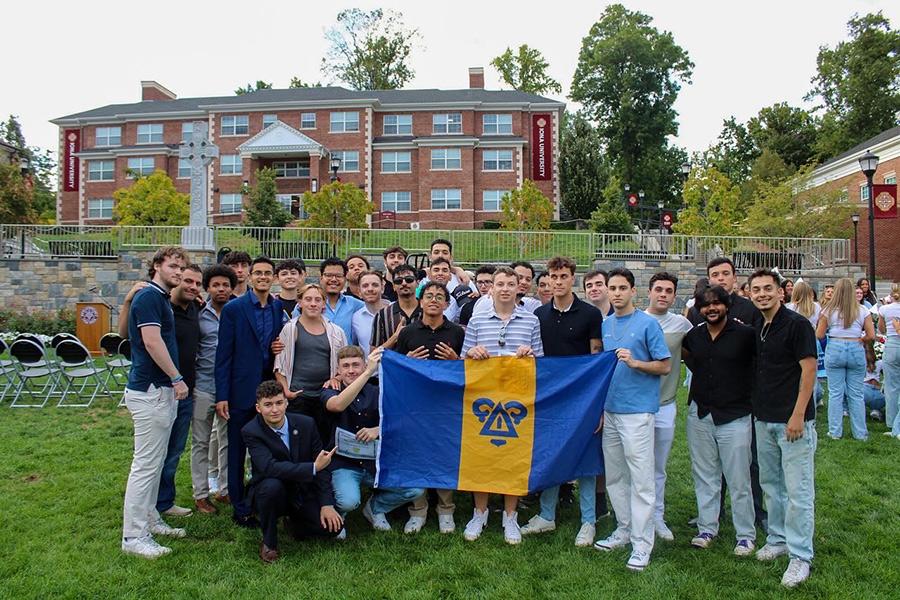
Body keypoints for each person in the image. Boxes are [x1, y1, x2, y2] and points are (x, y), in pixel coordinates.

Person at [593, 267, 670, 573]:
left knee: (641, 479)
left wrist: (636, 363)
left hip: (638, 411)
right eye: (612, 288)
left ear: (633, 291)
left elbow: (665, 366)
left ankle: (642, 543)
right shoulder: (606, 324)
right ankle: (624, 529)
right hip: (611, 410)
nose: (616, 293)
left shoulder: (648, 324)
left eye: (622, 288)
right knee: (615, 476)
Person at [522, 256, 603, 547]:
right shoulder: (539, 315)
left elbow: (596, 359)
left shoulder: (591, 314)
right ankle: (547, 515)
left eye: (563, 276)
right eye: (553, 277)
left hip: (583, 398)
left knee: (585, 458)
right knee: (551, 454)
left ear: (572, 278)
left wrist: (598, 405)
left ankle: (588, 521)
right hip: (549, 397)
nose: (557, 282)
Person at [461, 266, 543, 545]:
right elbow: (463, 359)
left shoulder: (531, 321)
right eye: (500, 284)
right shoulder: (477, 320)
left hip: (517, 397)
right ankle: (480, 512)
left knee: (513, 456)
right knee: (481, 455)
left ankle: (510, 515)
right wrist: (472, 352)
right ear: (491, 288)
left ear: (519, 287)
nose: (505, 289)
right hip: (482, 397)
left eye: (510, 284)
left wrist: (529, 355)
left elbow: (540, 360)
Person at [747, 268, 818, 588]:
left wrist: (798, 414)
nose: (762, 294)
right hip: (764, 418)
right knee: (771, 485)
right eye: (756, 289)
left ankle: (800, 555)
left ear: (780, 292)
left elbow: (809, 370)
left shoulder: (797, 325)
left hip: (793, 423)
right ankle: (777, 539)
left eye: (768, 288)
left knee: (798, 491)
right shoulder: (759, 325)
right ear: (750, 294)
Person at [120, 246, 190, 559]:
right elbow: (150, 341)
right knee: (145, 466)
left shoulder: (156, 297)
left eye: (182, 268)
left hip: (159, 391)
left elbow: (124, 332)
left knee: (156, 462)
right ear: (157, 266)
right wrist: (176, 377)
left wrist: (126, 302)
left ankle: (150, 518)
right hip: (152, 390)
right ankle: (134, 537)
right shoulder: (149, 296)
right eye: (173, 266)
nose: (179, 272)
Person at [682, 285, 757, 557]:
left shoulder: (745, 335)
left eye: (716, 303)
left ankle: (745, 535)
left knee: (739, 479)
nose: (711, 308)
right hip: (701, 413)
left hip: (734, 415)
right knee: (705, 475)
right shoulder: (694, 335)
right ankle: (706, 529)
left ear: (726, 305)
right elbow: (690, 359)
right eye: (705, 305)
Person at [215, 256, 284, 528]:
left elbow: (274, 342)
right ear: (250, 277)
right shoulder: (234, 309)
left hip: (266, 391)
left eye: (268, 273)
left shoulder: (277, 307)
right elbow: (223, 355)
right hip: (240, 391)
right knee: (237, 450)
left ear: (273, 277)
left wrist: (275, 348)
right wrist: (222, 395)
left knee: (263, 450)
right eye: (258, 273)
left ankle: (258, 499)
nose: (263, 277)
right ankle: (240, 507)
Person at [323, 346, 424, 533]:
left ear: (363, 365)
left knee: (415, 489)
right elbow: (337, 406)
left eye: (356, 365)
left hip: (374, 462)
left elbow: (405, 418)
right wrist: (368, 372)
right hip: (344, 463)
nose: (351, 370)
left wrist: (379, 429)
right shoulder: (330, 390)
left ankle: (375, 508)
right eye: (346, 366)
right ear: (338, 370)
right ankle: (340, 515)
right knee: (348, 501)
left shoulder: (378, 390)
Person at [242, 380, 342, 563]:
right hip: (271, 489)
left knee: (332, 529)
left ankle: (295, 523)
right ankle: (269, 542)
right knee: (271, 487)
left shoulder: (306, 424)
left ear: (286, 403)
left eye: (279, 403)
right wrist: (312, 468)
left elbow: (322, 466)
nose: (275, 410)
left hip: (302, 489)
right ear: (258, 408)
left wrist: (327, 504)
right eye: (268, 405)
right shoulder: (251, 431)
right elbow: (269, 467)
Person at [397, 281, 466, 534]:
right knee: (417, 453)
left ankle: (446, 509)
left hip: (446, 404)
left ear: (447, 304)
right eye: (429, 296)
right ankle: (418, 509)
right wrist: (407, 361)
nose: (434, 300)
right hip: (416, 404)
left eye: (439, 296)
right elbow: (396, 369)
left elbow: (468, 370)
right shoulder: (408, 332)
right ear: (421, 301)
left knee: (444, 454)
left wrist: (455, 360)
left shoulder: (457, 332)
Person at [643, 272, 692, 542]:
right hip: (637, 405)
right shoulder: (637, 320)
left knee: (658, 467)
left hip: (665, 404)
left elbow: (697, 349)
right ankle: (634, 516)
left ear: (674, 296)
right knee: (637, 465)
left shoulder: (682, 324)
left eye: (668, 291)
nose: (663, 294)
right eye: (659, 289)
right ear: (649, 292)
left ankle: (658, 517)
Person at [274, 284, 347, 444]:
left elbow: (344, 363)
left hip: (325, 396)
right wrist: (286, 391)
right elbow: (280, 365)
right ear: (300, 302)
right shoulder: (289, 329)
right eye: (308, 299)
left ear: (323, 303)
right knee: (300, 442)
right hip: (299, 396)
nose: (313, 304)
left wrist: (337, 378)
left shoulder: (336, 331)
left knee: (323, 441)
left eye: (317, 300)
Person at [190, 264, 234, 514]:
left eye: (225, 285)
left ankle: (225, 490)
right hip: (203, 387)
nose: (221, 289)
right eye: (216, 285)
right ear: (207, 287)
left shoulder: (236, 312)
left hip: (228, 388)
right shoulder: (197, 313)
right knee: (201, 441)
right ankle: (200, 493)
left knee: (228, 440)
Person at [816, 277, 875, 441]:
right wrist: (861, 339)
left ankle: (835, 432)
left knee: (835, 393)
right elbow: (871, 335)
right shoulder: (862, 310)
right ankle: (860, 433)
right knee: (856, 394)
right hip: (856, 347)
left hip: (835, 346)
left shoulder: (829, 310)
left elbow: (819, 334)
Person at [370, 264, 422, 349]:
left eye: (409, 279)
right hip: (392, 358)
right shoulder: (382, 315)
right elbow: (374, 353)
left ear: (417, 283)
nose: (404, 283)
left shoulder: (428, 311)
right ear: (393, 286)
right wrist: (395, 337)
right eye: (398, 281)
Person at [318, 257, 364, 343]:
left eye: (338, 276)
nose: (333, 279)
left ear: (345, 279)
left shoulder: (356, 305)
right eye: (329, 275)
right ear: (321, 278)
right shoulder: (308, 304)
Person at [879, 283, 900, 438]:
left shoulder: (884, 309)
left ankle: (892, 423)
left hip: (892, 345)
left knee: (891, 386)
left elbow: (881, 329)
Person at [351, 271, 390, 353]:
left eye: (375, 285)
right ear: (359, 291)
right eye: (365, 286)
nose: (370, 289)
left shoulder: (395, 310)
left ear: (382, 288)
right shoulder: (355, 318)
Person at [863, 342, 886, 420]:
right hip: (880, 395)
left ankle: (846, 409)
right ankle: (876, 410)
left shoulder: (859, 364)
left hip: (864, 393)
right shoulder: (880, 363)